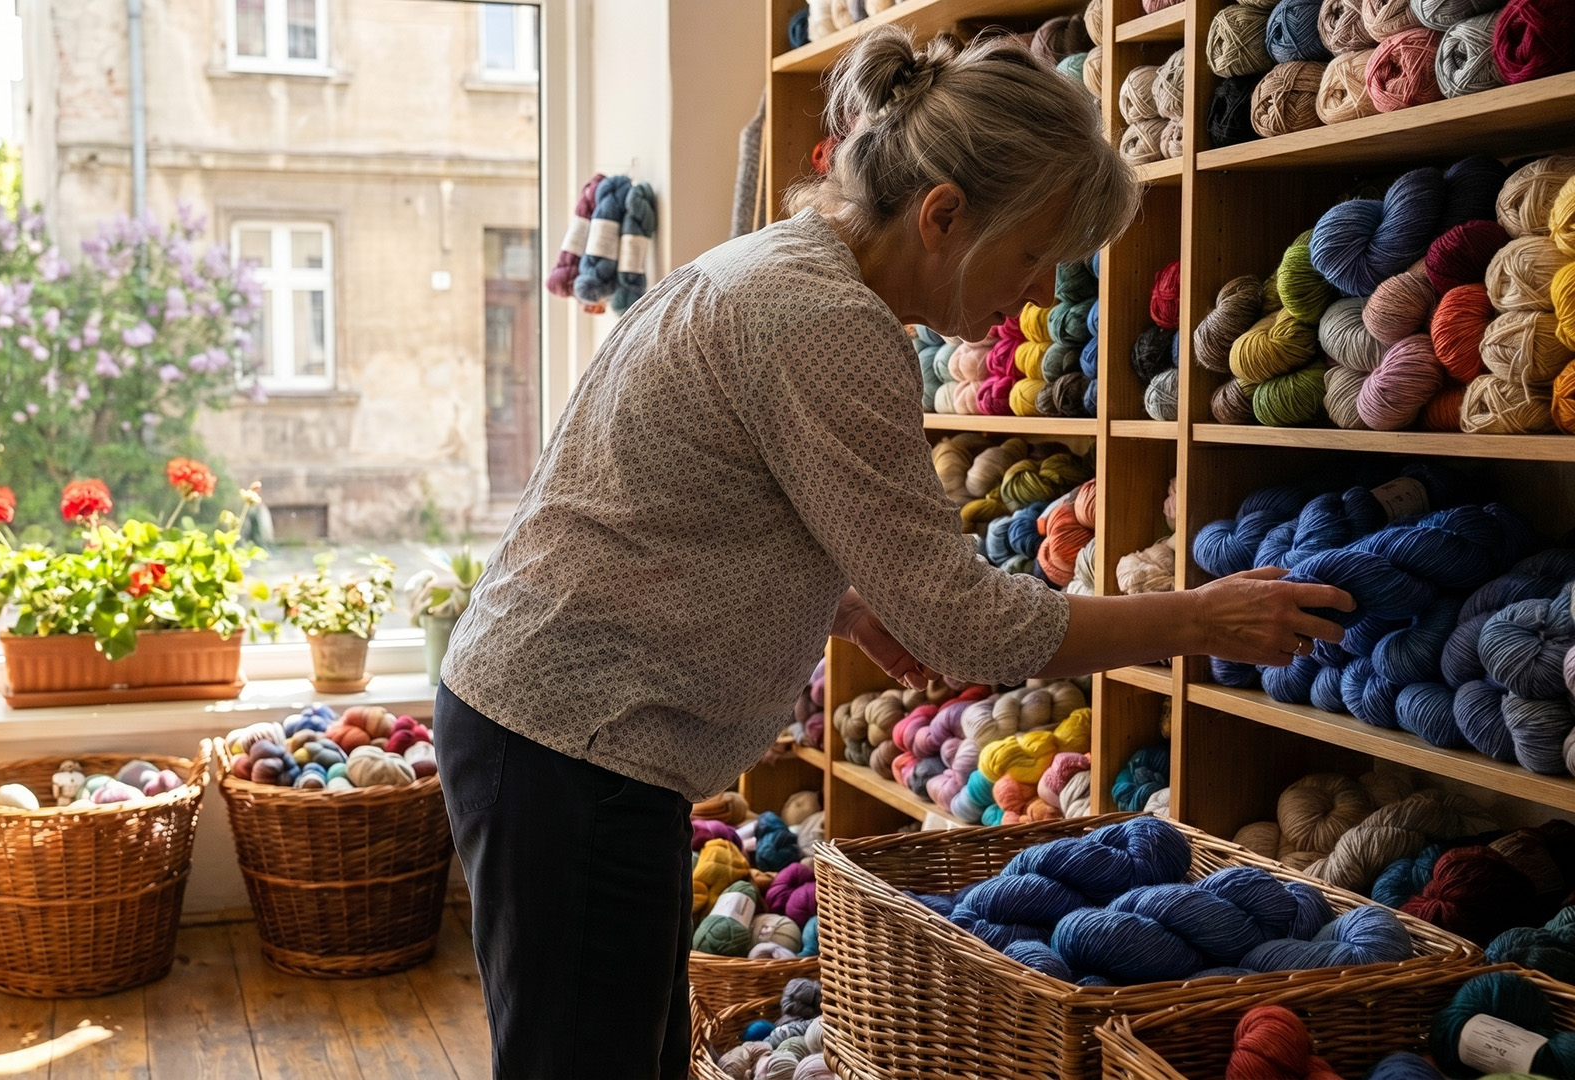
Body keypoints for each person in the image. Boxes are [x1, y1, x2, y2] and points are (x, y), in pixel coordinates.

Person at [435, 25, 1352, 1080]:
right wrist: (1200, 618)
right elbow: (971, 625)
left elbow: (683, 502)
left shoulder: (784, 269)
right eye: (1030, 255)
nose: (1035, 293)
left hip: (555, 730)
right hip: (567, 745)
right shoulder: (824, 322)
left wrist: (847, 603)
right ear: (944, 214)